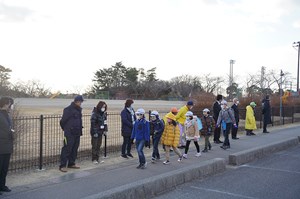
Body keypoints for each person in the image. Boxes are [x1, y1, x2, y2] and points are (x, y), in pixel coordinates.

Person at [59, 95, 84, 172]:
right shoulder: (68, 109)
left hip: (77, 132)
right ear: (77, 101)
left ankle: (71, 163)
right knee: (67, 148)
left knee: (74, 148)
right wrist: (67, 129)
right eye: (80, 102)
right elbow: (62, 121)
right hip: (69, 133)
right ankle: (62, 165)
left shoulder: (79, 110)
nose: (81, 103)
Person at [0, 97, 14, 193]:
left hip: (7, 145)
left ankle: (2, 186)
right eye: (10, 104)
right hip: (1, 145)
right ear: (6, 103)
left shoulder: (7, 115)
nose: (11, 106)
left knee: (4, 168)